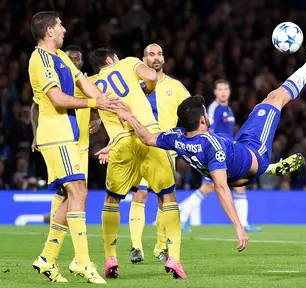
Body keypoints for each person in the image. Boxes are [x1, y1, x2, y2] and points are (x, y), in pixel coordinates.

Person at [99, 28, 306, 253]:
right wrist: (238, 227)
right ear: (202, 119)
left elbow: (147, 137)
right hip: (252, 154)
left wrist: (123, 127)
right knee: (276, 98)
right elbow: (221, 187)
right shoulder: (212, 145)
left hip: (233, 157)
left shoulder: (175, 137)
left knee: (172, 191)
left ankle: (269, 169)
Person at [29, 11, 122, 284]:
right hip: (55, 134)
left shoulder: (60, 58)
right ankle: (82, 261)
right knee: (78, 189)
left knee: (72, 196)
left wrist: (109, 101)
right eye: (59, 25)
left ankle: (47, 258)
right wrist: (95, 105)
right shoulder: (40, 59)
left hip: (67, 136)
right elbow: (56, 99)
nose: (64, 29)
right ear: (48, 31)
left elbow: (84, 83)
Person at [88, 47, 187, 279]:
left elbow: (91, 114)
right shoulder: (128, 63)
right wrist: (147, 89)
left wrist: (96, 122)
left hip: (120, 143)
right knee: (168, 197)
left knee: (112, 200)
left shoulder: (92, 83)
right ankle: (174, 258)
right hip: (149, 136)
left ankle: (110, 257)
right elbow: (152, 77)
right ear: (113, 59)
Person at [128, 43, 190, 264]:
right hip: (140, 149)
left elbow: (190, 112)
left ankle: (161, 247)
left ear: (164, 59)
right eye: (151, 54)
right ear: (143, 59)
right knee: (140, 194)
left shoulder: (176, 86)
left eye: (159, 54)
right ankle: (136, 247)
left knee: (165, 200)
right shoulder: (133, 86)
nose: (156, 58)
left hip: (166, 150)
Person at [180, 79, 262, 233]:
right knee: (207, 187)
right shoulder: (213, 109)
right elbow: (207, 132)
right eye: (220, 89)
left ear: (229, 91)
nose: (223, 92)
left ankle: (244, 223)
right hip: (215, 155)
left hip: (228, 154)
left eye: (226, 89)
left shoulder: (228, 109)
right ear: (215, 92)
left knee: (239, 187)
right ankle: (183, 217)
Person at [31, 45, 100, 222]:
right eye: (71, 58)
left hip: (82, 147)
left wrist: (97, 119)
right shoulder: (59, 81)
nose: (74, 61)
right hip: (61, 140)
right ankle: (56, 223)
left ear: (82, 62)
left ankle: (66, 224)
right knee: (65, 189)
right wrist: (36, 132)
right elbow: (35, 106)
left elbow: (98, 104)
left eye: (77, 58)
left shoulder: (87, 82)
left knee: (79, 191)